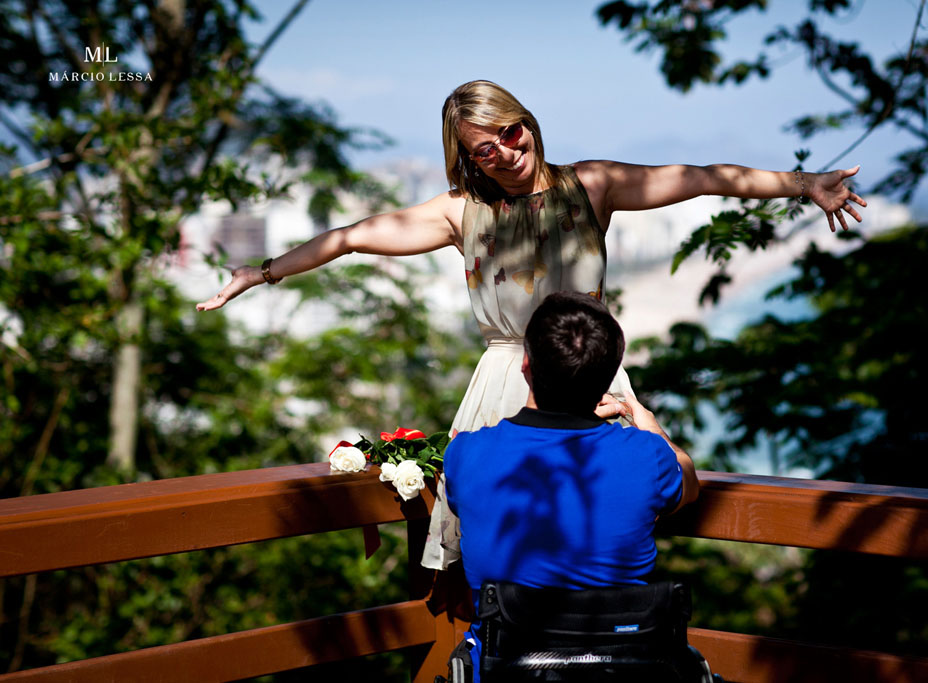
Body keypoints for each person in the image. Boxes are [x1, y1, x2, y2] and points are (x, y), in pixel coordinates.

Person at [195, 79, 866, 569]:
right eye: (484, 151)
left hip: (590, 369)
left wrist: (802, 184)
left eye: (510, 134)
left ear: (527, 122)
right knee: (499, 544)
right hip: (505, 378)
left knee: (605, 525)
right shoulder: (460, 213)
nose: (506, 154)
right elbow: (350, 238)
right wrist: (262, 271)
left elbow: (700, 179)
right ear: (467, 159)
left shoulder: (593, 185)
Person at [442, 291, 700, 683]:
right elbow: (688, 481)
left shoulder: (467, 453)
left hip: (506, 672)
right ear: (605, 378)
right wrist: (646, 421)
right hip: (622, 673)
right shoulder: (646, 456)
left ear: (526, 365)